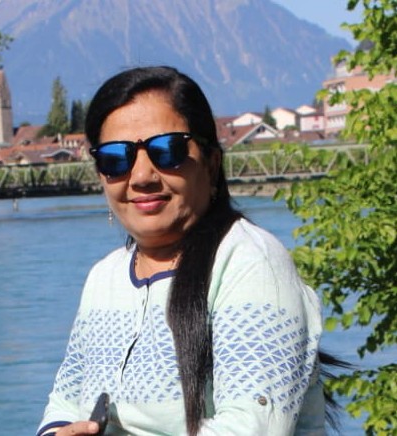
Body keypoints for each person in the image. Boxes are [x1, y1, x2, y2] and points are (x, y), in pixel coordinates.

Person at [37, 66, 326, 436]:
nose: (141, 176)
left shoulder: (251, 264)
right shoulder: (104, 279)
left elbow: (251, 426)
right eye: (115, 159)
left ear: (211, 162)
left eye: (167, 151)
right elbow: (64, 401)